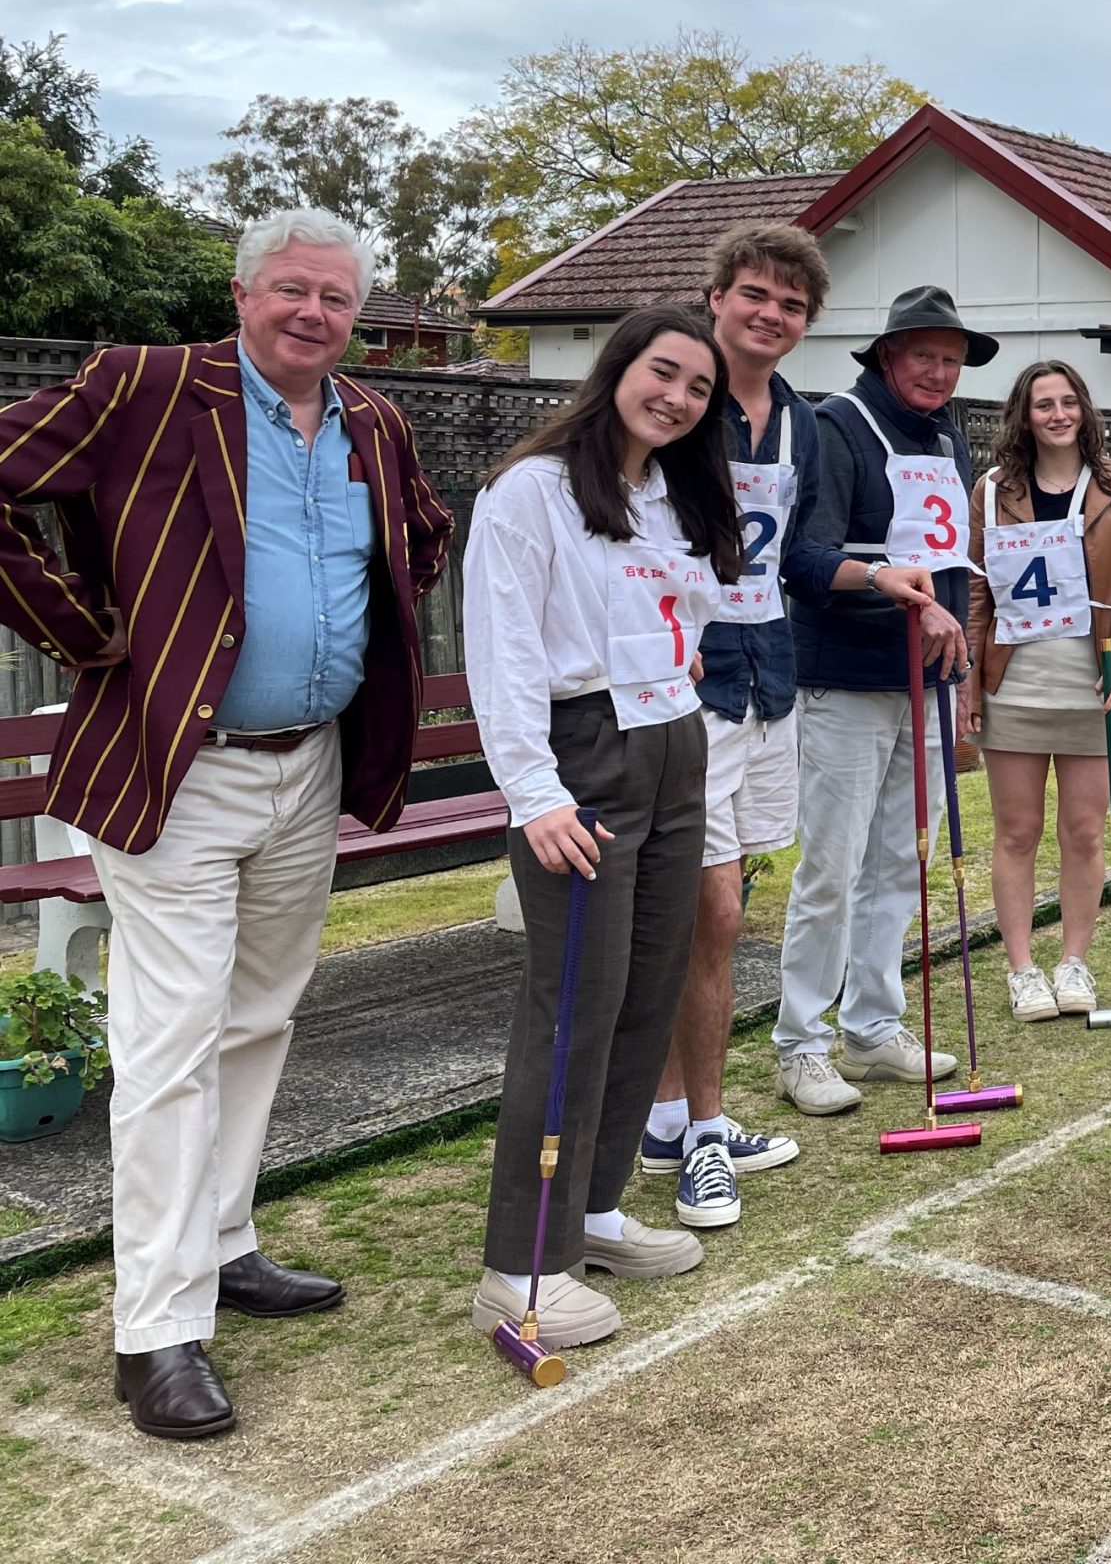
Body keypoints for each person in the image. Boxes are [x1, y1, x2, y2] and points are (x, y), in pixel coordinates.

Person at [0, 209, 451, 1439]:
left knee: (258, 1018)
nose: (315, 314)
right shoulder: (144, 386)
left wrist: (359, 628)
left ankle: (224, 1239)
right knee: (171, 1042)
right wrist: (79, 630)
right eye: (293, 291)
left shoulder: (376, 419)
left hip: (306, 769)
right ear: (244, 292)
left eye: (338, 300)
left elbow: (418, 539)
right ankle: (156, 1331)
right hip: (174, 770)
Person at [464, 308, 742, 1356]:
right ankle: (518, 1262)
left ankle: (589, 1211)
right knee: (572, 1001)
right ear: (617, 367)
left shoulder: (672, 491)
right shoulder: (529, 489)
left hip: (672, 739)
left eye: (697, 388)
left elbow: (693, 617)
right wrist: (533, 793)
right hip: (583, 757)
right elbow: (503, 651)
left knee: (648, 986)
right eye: (661, 373)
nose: (676, 397)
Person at [638, 226, 826, 1231]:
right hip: (683, 691)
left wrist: (886, 581)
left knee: (723, 905)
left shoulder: (803, 422)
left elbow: (797, 555)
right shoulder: (673, 402)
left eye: (790, 306)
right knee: (704, 911)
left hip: (771, 679)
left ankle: (670, 1115)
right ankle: (702, 1135)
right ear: (715, 296)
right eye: (754, 295)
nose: (770, 315)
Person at [775, 285, 995, 1100]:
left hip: (928, 684)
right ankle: (801, 1039)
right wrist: (898, 594)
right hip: (848, 675)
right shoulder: (838, 427)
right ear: (886, 357)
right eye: (924, 356)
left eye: (951, 359)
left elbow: (953, 564)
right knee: (830, 865)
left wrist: (960, 653)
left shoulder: (947, 436)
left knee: (903, 860)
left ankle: (870, 1026)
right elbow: (805, 558)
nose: (939, 372)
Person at [962, 360, 1111, 1016]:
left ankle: (1074, 962)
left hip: (1093, 680)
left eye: (1068, 401)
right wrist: (968, 680)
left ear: (1085, 410)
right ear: (1024, 414)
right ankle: (1022, 970)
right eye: (1043, 404)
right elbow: (979, 592)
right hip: (1015, 682)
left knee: (1084, 832)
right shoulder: (992, 489)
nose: (1057, 414)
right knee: (1016, 832)